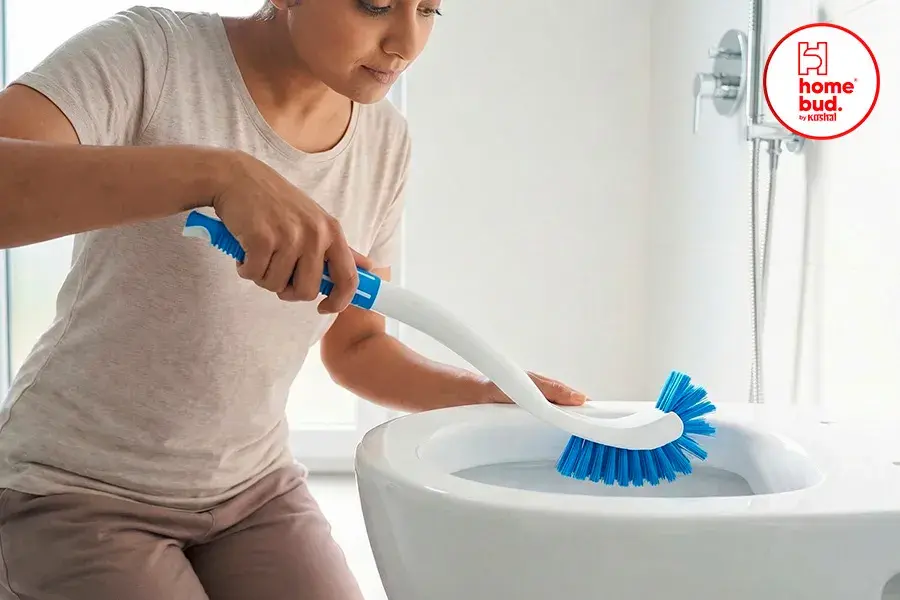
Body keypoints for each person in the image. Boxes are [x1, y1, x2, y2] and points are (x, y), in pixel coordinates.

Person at [0, 1, 586, 598]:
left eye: (430, 9)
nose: (405, 43)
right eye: (376, 5)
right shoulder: (153, 54)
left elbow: (357, 344)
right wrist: (218, 176)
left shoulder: (385, 141)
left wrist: (481, 391)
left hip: (253, 490)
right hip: (74, 486)